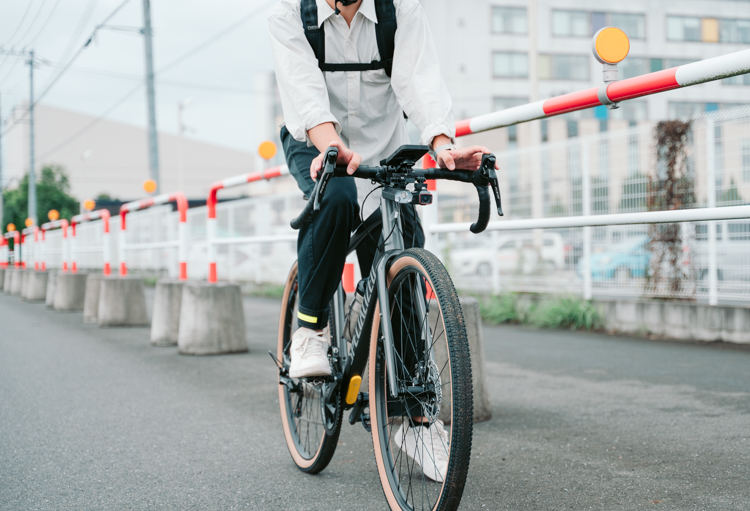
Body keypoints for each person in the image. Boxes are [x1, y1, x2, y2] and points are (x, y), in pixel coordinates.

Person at [269, 0, 492, 481]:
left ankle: (414, 419)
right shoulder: (290, 13)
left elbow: (420, 80)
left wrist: (442, 144)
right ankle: (310, 328)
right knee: (338, 197)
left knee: (403, 256)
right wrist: (330, 143)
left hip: (384, 144)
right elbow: (304, 92)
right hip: (315, 140)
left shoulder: (399, 9)